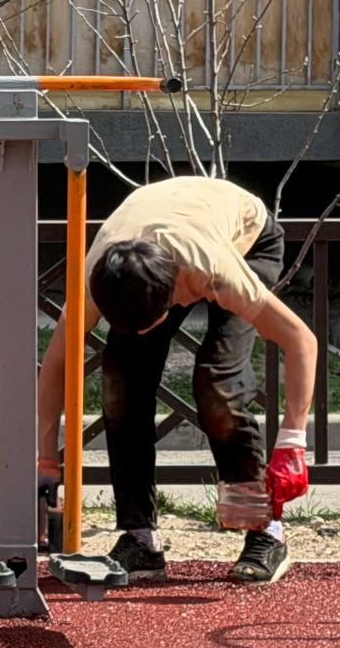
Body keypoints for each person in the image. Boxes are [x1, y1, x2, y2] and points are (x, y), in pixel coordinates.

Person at [38, 173, 318, 585]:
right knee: (120, 383)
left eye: (147, 324)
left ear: (171, 297)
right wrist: (46, 460)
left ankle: (264, 531)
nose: (140, 334)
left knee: (217, 382)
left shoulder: (216, 270)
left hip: (246, 236)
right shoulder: (97, 283)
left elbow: (301, 340)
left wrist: (293, 439)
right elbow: (56, 365)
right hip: (161, 225)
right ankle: (140, 539)